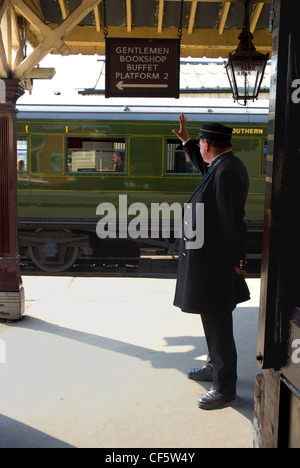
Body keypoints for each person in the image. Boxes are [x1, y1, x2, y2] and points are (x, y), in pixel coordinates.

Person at [172, 114, 250, 410]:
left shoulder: (226, 171)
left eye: (200, 144)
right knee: (211, 318)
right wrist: (186, 141)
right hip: (211, 261)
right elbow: (206, 167)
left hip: (216, 264)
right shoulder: (222, 164)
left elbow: (233, 220)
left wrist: (238, 259)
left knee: (218, 323)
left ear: (208, 144)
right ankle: (213, 367)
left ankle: (225, 386)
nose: (200, 150)